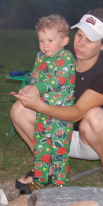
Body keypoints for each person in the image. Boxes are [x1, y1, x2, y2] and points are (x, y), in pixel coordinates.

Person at [11, 8, 103, 200]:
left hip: (92, 140)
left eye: (89, 40)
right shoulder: (62, 57)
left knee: (94, 114)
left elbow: (77, 113)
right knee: (19, 109)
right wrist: (32, 89)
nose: (80, 44)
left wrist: (39, 106)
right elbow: (40, 78)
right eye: (79, 35)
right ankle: (44, 164)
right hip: (55, 132)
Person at [15, 14, 76, 194]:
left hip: (60, 115)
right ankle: (40, 180)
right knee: (41, 148)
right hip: (42, 112)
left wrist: (37, 89)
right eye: (41, 40)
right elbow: (34, 75)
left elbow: (59, 80)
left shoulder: (66, 58)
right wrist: (29, 87)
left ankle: (60, 184)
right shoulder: (40, 56)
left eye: (50, 40)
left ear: (64, 40)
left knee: (59, 151)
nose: (45, 45)